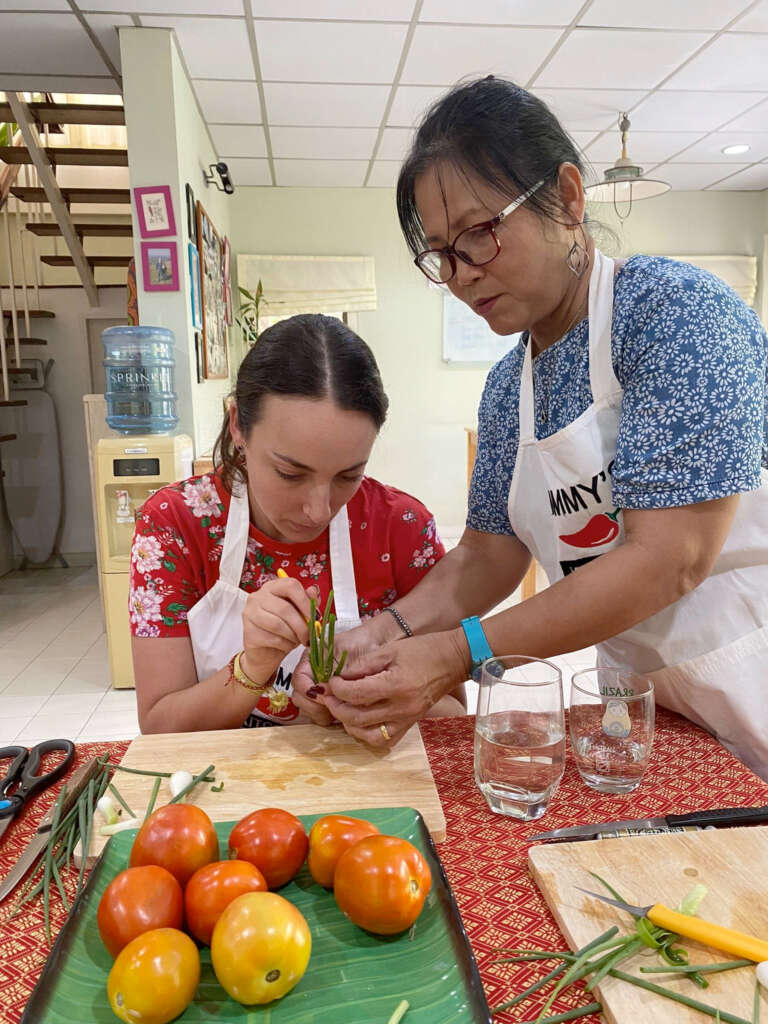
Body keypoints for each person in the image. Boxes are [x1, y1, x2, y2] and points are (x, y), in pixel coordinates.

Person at [292, 76, 768, 778]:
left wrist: (461, 651)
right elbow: (489, 554)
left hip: (750, 664)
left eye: (480, 234)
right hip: (640, 701)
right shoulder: (506, 390)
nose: (461, 275)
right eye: (441, 254)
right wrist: (384, 634)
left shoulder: (676, 316)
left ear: (568, 198)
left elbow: (673, 556)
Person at [129, 313, 465, 733]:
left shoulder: (402, 527)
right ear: (238, 426)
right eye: (290, 474)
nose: (319, 511)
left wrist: (361, 690)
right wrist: (253, 668)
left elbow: (452, 718)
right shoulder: (175, 524)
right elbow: (160, 727)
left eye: (348, 476)